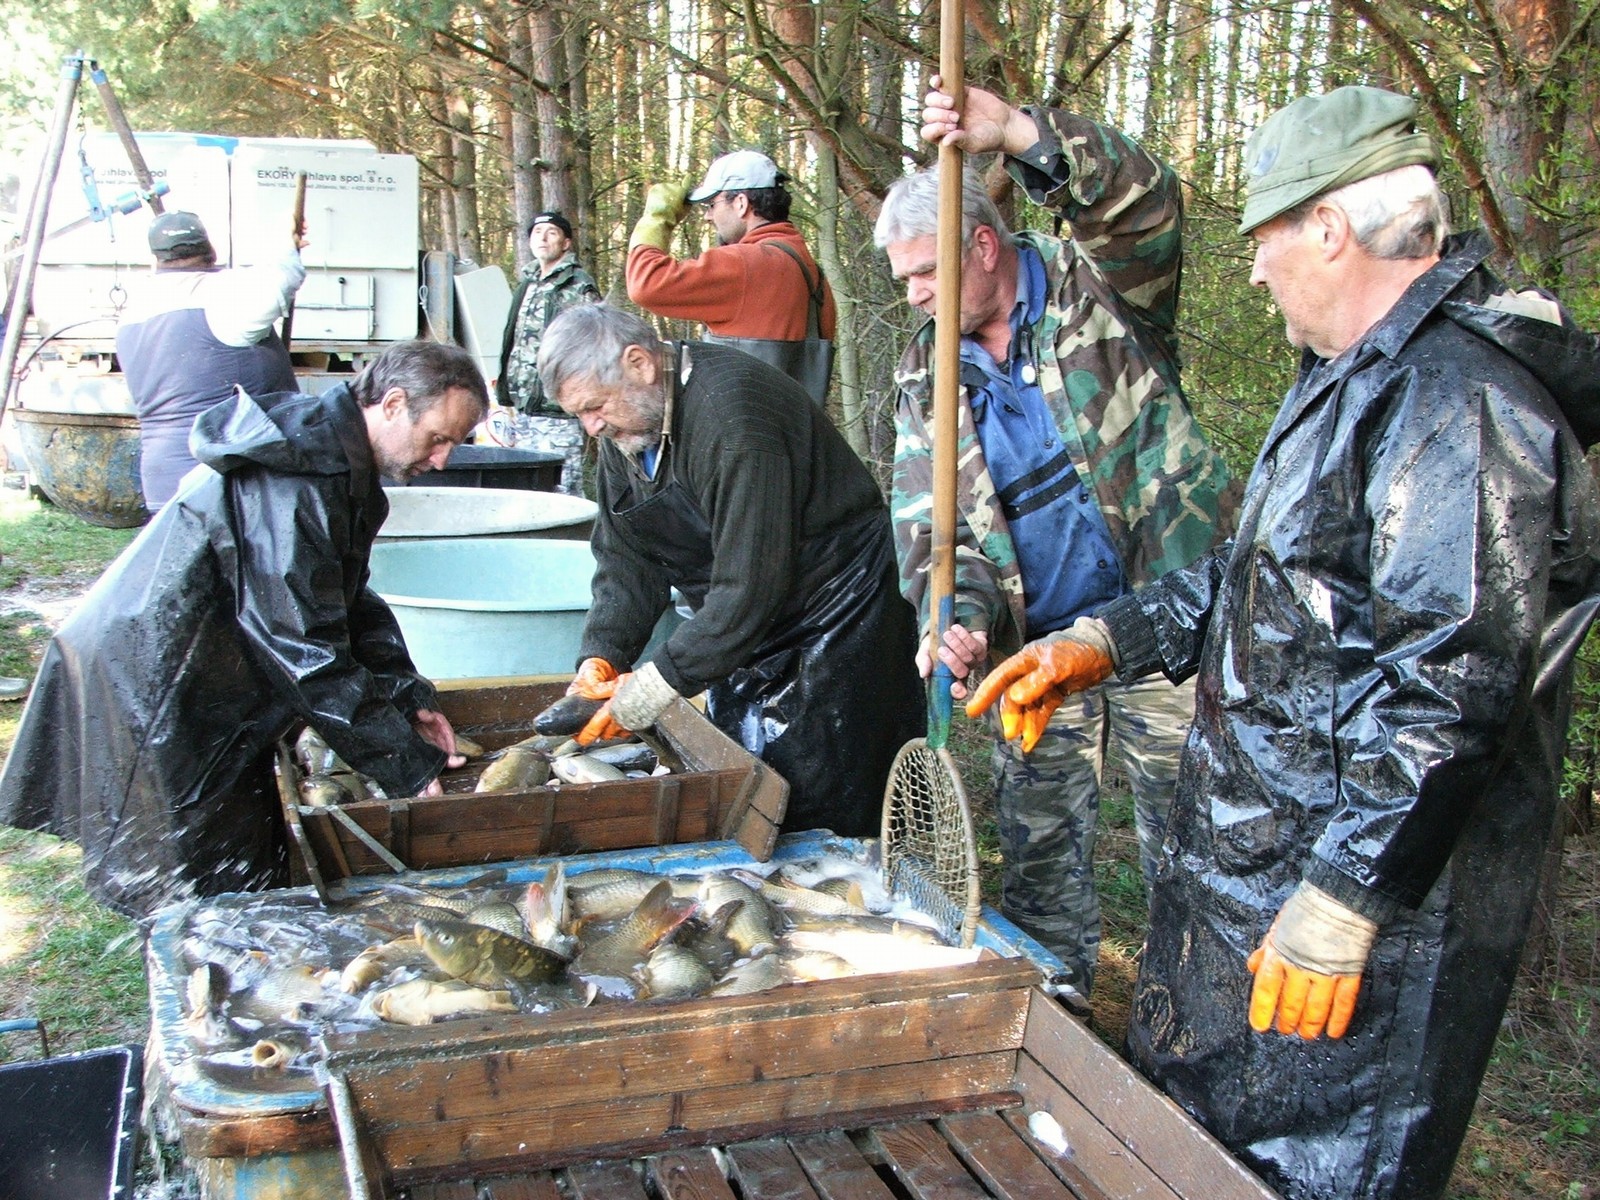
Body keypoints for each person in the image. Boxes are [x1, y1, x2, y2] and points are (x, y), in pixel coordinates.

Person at [968, 86, 1600, 1200]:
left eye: (1265, 239)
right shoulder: (1349, 373)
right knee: (1197, 1157)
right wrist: (1104, 640)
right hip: (1252, 871)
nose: (1255, 272)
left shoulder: (1455, 400)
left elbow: (1452, 683)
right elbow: (1263, 572)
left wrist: (1348, 896)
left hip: (1357, 922)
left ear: (1330, 228)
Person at [875, 82, 1237, 998]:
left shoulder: (1100, 288)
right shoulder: (924, 375)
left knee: (1197, 860)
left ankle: (1189, 1035)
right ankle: (1057, 1031)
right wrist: (954, 619)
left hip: (1168, 630)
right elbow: (935, 534)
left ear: (982, 245)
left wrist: (1016, 132)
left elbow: (1145, 204)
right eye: (904, 281)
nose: (915, 297)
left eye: (926, 273)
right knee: (1040, 878)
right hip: (1034, 658)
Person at [0, 339, 489, 922]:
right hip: (154, 678)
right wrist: (400, 759)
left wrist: (407, 697)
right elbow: (301, 646)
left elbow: (345, 599)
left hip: (208, 673)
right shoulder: (298, 480)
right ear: (392, 404)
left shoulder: (336, 462)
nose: (442, 459)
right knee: (191, 888)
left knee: (241, 874)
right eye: (437, 438)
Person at [537, 303, 923, 837]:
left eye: (594, 407)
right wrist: (602, 655)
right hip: (737, 624)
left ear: (639, 364)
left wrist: (662, 680)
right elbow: (625, 558)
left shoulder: (734, 416)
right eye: (579, 414)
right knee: (744, 788)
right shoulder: (626, 429)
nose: (591, 427)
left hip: (838, 611)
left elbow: (750, 585)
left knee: (825, 805)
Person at [115, 209, 305, 510]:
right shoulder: (220, 295)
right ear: (210, 250)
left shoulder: (133, 310)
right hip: (224, 482)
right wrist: (286, 240)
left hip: (165, 478)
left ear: (157, 258)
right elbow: (284, 277)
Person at [625, 150, 836, 403]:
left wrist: (657, 219)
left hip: (743, 425)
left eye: (712, 205)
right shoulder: (809, 270)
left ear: (741, 203)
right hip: (798, 426)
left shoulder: (746, 264)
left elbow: (645, 284)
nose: (708, 216)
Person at [495, 210, 602, 495]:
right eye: (537, 233)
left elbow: (595, 344)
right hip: (523, 409)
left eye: (551, 232)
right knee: (527, 490)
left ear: (566, 243)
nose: (542, 238)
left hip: (558, 412)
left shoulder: (577, 284)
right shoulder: (528, 284)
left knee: (562, 490)